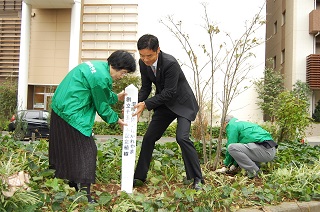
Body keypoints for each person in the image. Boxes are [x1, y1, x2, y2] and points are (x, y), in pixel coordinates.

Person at [49, 50, 136, 203]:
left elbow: (99, 92)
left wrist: (116, 97)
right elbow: (101, 104)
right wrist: (117, 120)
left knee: (67, 148)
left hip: (60, 107)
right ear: (115, 66)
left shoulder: (98, 66)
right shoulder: (101, 77)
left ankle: (71, 182)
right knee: (88, 151)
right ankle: (85, 195)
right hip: (71, 112)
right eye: (123, 73)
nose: (122, 76)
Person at [132, 34, 204, 190]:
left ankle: (197, 178)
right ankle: (139, 177)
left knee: (182, 138)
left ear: (158, 50)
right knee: (149, 137)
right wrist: (135, 103)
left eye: (149, 56)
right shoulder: (143, 63)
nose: (146, 59)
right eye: (142, 55)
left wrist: (146, 104)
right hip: (164, 105)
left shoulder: (170, 63)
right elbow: (146, 88)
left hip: (182, 104)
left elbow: (170, 92)